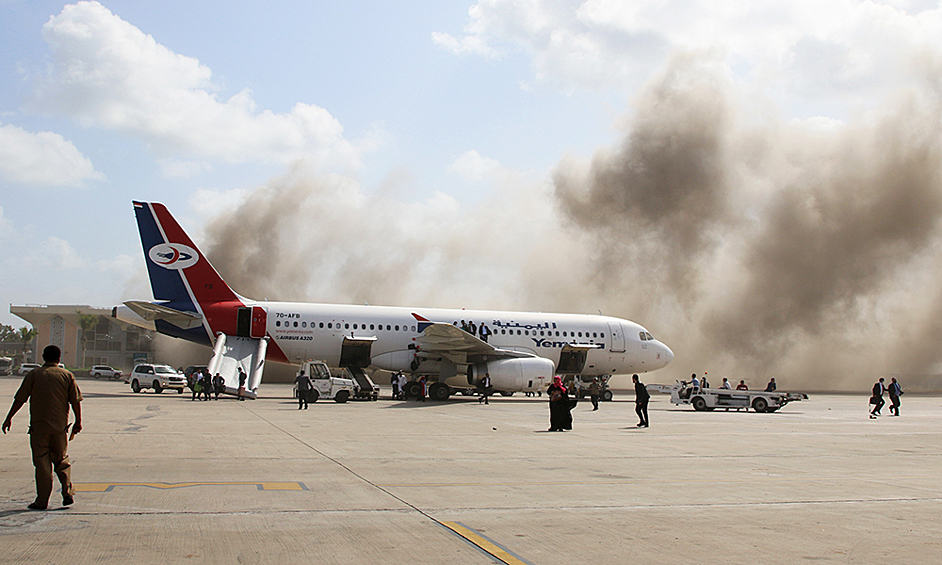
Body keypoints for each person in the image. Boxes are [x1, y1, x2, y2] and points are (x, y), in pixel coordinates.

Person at [2, 345, 82, 510]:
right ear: (59, 358)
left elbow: (20, 398)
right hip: (60, 429)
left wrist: (9, 418)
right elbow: (75, 400)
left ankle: (42, 500)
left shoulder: (35, 374)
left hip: (39, 429)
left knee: (42, 464)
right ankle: (67, 492)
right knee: (61, 460)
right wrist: (78, 422)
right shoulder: (67, 376)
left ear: (43, 357)